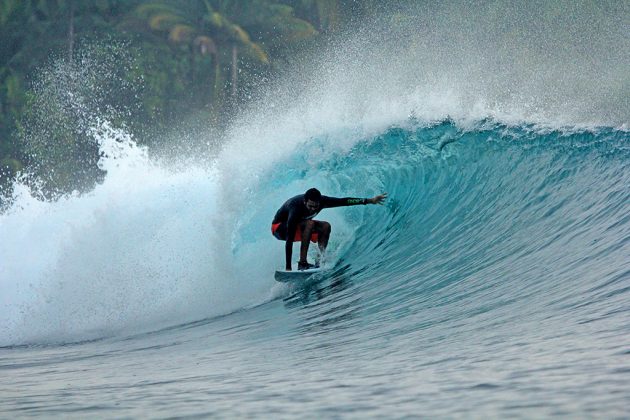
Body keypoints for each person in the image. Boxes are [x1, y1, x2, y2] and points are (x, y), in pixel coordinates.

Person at [271, 188, 387, 271]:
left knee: (325, 226)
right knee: (309, 224)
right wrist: (288, 268)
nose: (312, 209)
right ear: (304, 201)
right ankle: (302, 263)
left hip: (300, 228)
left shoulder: (323, 201)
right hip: (279, 229)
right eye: (310, 206)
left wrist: (369, 200)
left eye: (315, 206)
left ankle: (320, 260)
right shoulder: (295, 207)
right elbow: (289, 240)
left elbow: (344, 201)